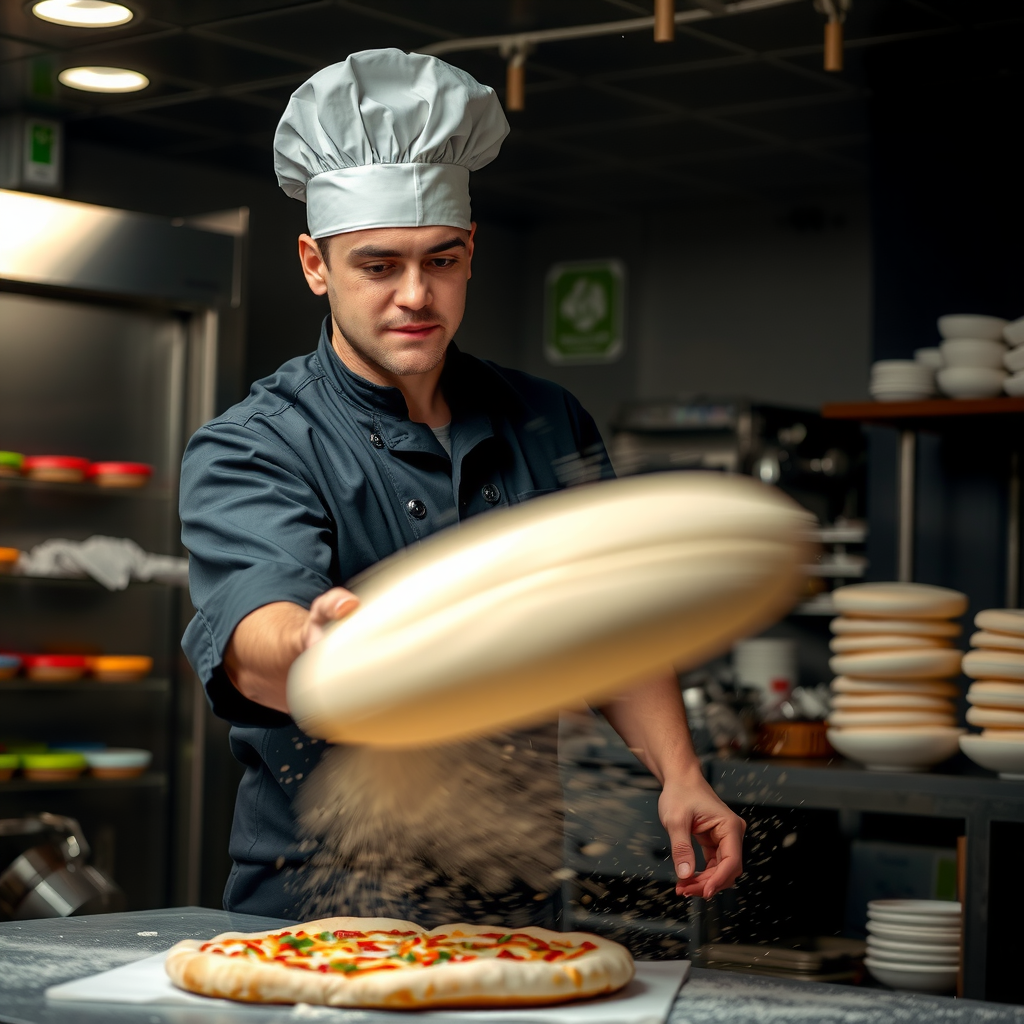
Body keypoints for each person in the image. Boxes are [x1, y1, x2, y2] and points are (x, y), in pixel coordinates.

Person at [179, 48, 745, 922]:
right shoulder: (255, 442)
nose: (416, 295)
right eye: (377, 265)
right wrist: (316, 644)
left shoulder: (545, 417)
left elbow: (608, 621)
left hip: (511, 894)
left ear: (471, 251)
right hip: (319, 901)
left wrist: (679, 773)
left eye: (441, 260)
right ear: (314, 264)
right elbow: (255, 635)